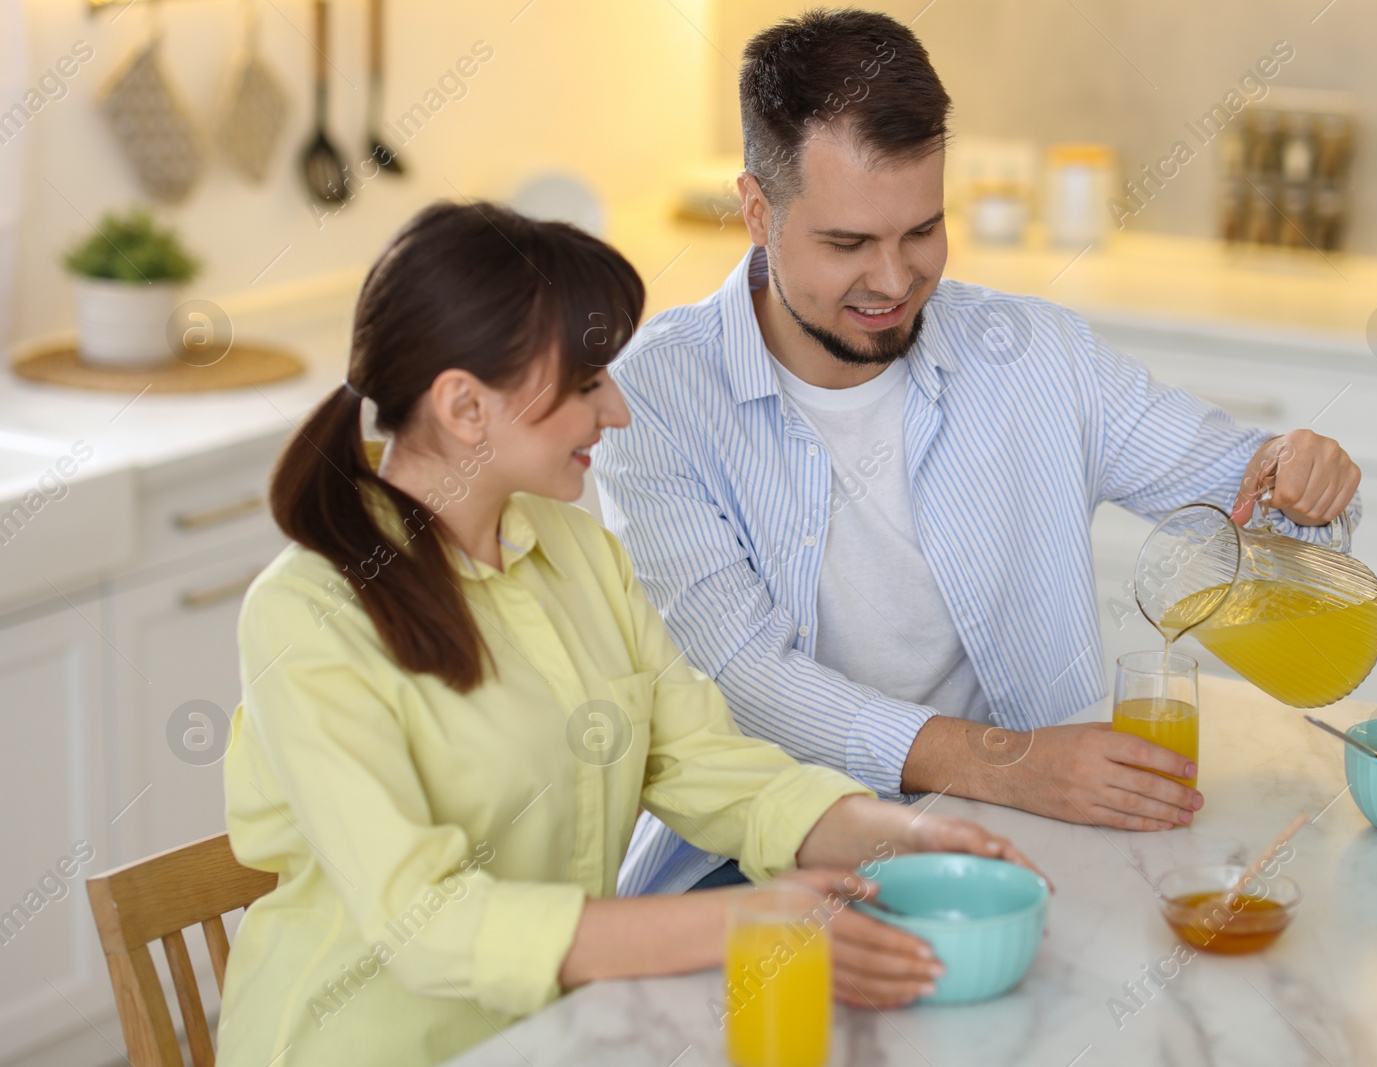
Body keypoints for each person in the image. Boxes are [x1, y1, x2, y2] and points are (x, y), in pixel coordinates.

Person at [216, 201, 1039, 1067]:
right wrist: (742, 919)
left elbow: (701, 762)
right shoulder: (308, 617)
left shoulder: (576, 552)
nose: (618, 410)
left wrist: (896, 833)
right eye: (584, 384)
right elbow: (429, 924)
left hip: (569, 1035)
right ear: (463, 405)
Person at [592, 9, 1362, 897]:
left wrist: (1304, 476)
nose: (891, 281)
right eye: (847, 243)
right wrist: (1005, 761)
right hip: (760, 857)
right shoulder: (653, 397)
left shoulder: (1036, 354)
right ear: (757, 211)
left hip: (1025, 834)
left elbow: (1256, 505)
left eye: (921, 231)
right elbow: (746, 682)